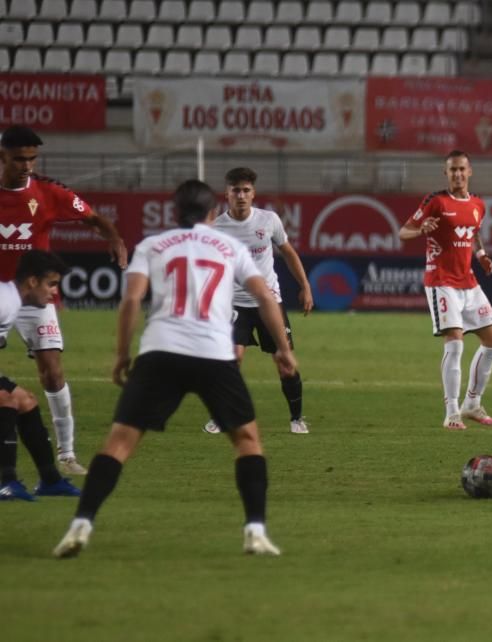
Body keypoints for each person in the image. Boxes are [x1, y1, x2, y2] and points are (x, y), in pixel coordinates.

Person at [53, 180, 294, 558]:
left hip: (160, 351)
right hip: (214, 353)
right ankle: (255, 531)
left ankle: (81, 523)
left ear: (174, 212)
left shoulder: (153, 245)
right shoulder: (230, 246)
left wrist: (121, 356)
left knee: (118, 443)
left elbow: (131, 300)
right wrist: (282, 348)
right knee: (247, 441)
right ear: (213, 212)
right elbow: (265, 296)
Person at [0, 125, 128, 476]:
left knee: (53, 371)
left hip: (32, 298)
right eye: (19, 160)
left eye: (32, 159)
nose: (27, 166)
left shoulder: (47, 192)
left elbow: (93, 218)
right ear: (2, 157)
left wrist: (114, 239)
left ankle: (67, 455)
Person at [202, 167, 313, 436]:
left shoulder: (268, 220)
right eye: (235, 190)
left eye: (246, 190)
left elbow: (288, 252)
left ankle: (296, 418)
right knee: (232, 359)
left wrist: (305, 287)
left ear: (253, 194)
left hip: (269, 303)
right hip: (234, 304)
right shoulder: (216, 227)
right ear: (226, 194)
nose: (241, 195)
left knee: (284, 364)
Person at [398, 150, 492, 431]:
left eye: (461, 169)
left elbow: (473, 232)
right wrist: (421, 230)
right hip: (441, 282)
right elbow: (403, 231)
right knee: (455, 343)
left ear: (470, 172)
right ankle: (452, 412)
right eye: (452, 170)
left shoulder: (478, 203)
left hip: (468, 282)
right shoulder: (436, 201)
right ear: (446, 174)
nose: (457, 174)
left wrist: (481, 254)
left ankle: (473, 404)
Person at [0, 251, 81, 501]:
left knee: (27, 401)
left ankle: (50, 480)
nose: (55, 292)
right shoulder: (5, 302)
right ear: (32, 281)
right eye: (52, 284)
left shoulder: (11, 301)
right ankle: (6, 482)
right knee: (6, 399)